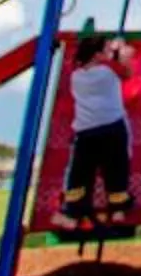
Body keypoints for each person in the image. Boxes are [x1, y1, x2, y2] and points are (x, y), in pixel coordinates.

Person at [58, 31, 137, 235]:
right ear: (96, 54)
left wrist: (113, 52)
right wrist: (119, 52)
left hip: (85, 131)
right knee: (116, 169)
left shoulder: (76, 76)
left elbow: (111, 63)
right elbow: (127, 72)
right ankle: (118, 211)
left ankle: (75, 211)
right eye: (104, 49)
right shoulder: (107, 72)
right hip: (111, 127)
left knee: (82, 173)